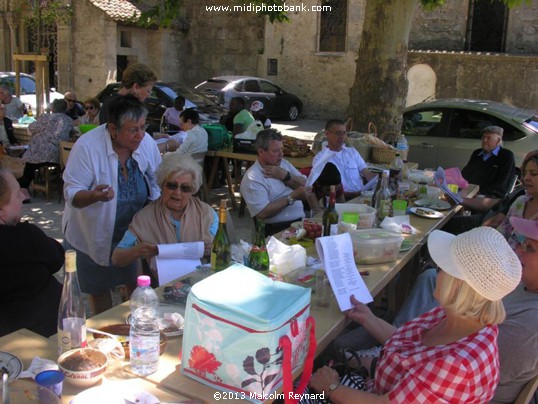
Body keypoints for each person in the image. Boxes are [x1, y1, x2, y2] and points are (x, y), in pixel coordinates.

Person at [307, 227, 521, 403]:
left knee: (289, 393)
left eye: (442, 267)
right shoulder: (464, 319)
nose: (436, 272)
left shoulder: (457, 366)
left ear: (458, 285)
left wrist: (331, 387)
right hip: (378, 385)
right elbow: (409, 344)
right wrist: (368, 318)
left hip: (377, 397)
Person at [62, 95, 161, 315]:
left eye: (143, 127)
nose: (141, 135)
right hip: (91, 233)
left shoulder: (146, 144)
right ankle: (104, 335)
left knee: (137, 285)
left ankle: (135, 327)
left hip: (132, 231)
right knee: (99, 289)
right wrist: (93, 196)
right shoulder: (87, 147)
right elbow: (72, 193)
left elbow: (156, 181)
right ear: (113, 129)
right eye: (133, 129)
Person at [111, 154, 218, 284]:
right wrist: (138, 251)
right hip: (163, 287)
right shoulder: (145, 217)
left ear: (193, 190)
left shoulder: (206, 213)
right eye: (172, 185)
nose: (177, 193)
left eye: (185, 188)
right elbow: (117, 258)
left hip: (201, 283)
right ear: (162, 185)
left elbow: (219, 250)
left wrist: (212, 249)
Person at [0, 168, 64, 337]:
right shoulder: (26, 237)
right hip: (45, 336)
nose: (23, 196)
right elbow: (57, 258)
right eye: (16, 194)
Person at [241, 129, 310, 236]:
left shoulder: (283, 164)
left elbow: (306, 186)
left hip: (300, 223)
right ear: (261, 152)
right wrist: (291, 197)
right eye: (275, 151)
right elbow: (262, 213)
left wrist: (285, 175)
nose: (281, 155)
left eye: (282, 150)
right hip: (276, 230)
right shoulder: (253, 177)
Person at [18, 99, 73, 201]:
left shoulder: (46, 117)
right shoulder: (68, 120)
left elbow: (31, 128)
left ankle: (23, 189)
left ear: (52, 108)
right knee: (32, 160)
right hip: (59, 155)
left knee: (29, 162)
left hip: (41, 153)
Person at [312, 119, 376, 200]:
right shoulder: (320, 159)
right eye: (338, 133)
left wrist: (383, 178)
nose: (342, 136)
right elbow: (325, 189)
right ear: (327, 134)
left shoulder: (352, 152)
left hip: (362, 197)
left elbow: (368, 174)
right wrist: (353, 195)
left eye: (344, 133)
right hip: (340, 200)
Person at [496, 150, 538, 248]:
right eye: (525, 173)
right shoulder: (520, 202)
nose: (526, 178)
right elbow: (500, 233)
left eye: (534, 173)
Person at [461, 125, 516, 198]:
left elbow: (502, 184)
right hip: (469, 192)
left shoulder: (506, 156)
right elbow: (465, 174)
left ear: (498, 140)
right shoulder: (477, 153)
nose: (484, 140)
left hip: (488, 196)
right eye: (483, 137)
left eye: (488, 138)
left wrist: (479, 193)